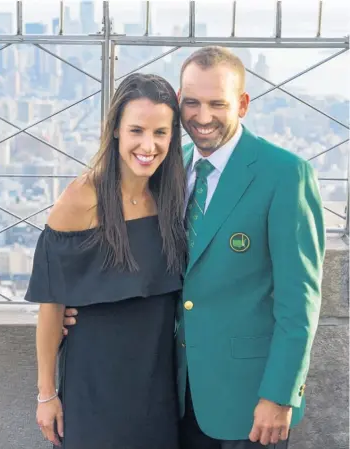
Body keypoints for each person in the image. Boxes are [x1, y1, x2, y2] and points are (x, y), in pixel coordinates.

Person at [62, 46, 326, 449]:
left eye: (217, 104)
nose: (202, 117)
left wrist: (280, 395)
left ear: (242, 104)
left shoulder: (286, 175)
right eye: (192, 103)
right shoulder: (170, 166)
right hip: (173, 394)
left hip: (248, 400)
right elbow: (135, 251)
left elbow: (300, 301)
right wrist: (78, 303)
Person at [24, 73, 188, 448]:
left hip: (157, 386)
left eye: (161, 133)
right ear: (115, 129)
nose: (148, 145)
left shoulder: (171, 194)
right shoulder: (83, 197)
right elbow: (51, 305)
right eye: (137, 131)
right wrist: (46, 394)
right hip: (94, 387)